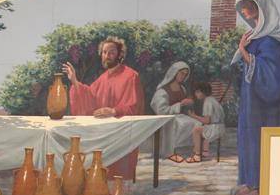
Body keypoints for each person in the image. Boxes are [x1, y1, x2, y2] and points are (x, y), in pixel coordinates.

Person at [230, 0, 280, 195]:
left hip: (264, 107)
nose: (243, 11)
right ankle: (251, 183)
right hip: (252, 102)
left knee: (258, 140)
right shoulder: (256, 37)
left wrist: (243, 51)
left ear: (260, 7)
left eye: (247, 6)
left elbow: (271, 76)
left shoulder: (270, 42)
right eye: (242, 8)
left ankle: (260, 188)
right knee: (249, 139)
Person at [63, 36, 144, 178]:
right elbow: (89, 95)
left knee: (119, 175)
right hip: (104, 132)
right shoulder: (103, 78)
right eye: (104, 52)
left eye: (111, 52)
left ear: (120, 55)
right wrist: (75, 81)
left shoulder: (131, 76)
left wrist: (113, 111)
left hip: (122, 132)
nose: (107, 56)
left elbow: (135, 105)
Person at [149, 61, 198, 164]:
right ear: (174, 72)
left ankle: (187, 149)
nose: (183, 76)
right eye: (181, 73)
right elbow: (161, 110)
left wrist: (188, 104)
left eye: (185, 74)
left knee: (196, 124)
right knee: (178, 124)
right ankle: (169, 153)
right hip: (165, 118)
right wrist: (181, 104)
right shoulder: (162, 91)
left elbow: (183, 107)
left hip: (178, 116)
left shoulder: (182, 89)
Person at [187, 81, 225, 161]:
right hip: (220, 127)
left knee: (196, 130)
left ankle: (197, 155)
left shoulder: (207, 102)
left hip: (215, 129)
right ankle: (205, 152)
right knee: (202, 127)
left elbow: (207, 121)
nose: (196, 94)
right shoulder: (213, 100)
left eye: (197, 92)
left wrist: (193, 116)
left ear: (203, 92)